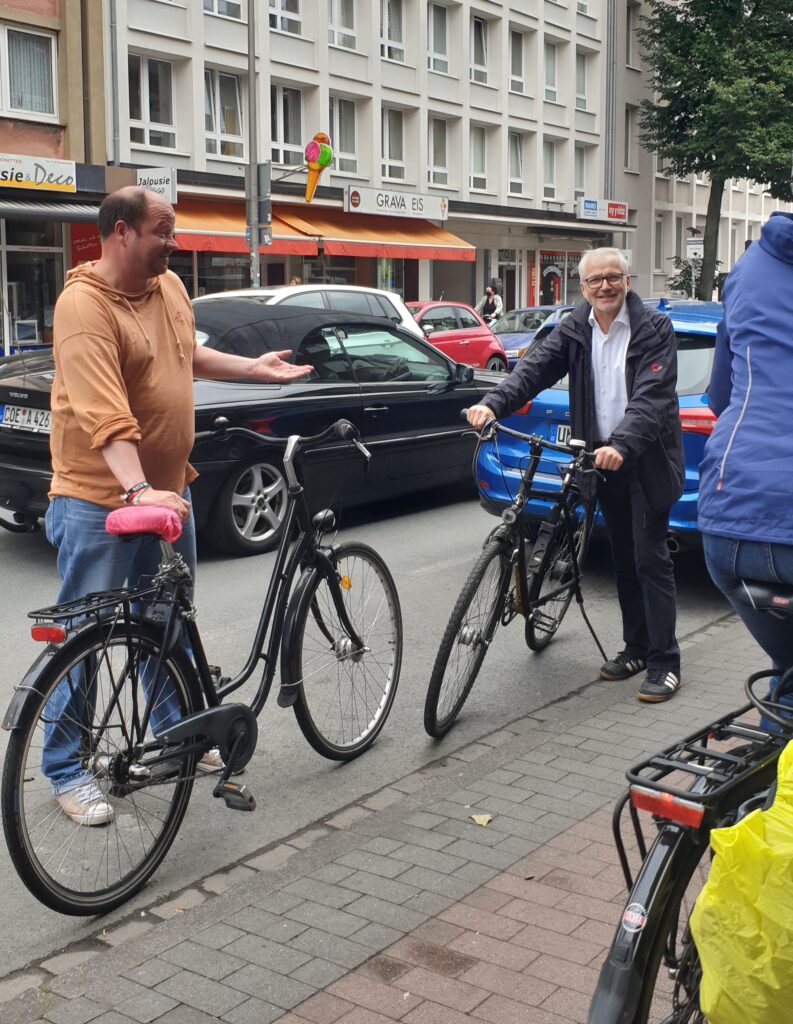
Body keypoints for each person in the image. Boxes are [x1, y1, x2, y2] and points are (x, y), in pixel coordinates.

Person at [43, 186, 312, 826]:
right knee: (87, 640)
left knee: (166, 623)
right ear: (120, 233)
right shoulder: (84, 306)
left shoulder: (168, 288)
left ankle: (180, 731)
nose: (174, 240)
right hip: (99, 501)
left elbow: (186, 357)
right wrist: (138, 492)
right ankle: (65, 769)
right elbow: (105, 417)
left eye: (173, 228)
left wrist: (257, 370)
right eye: (162, 230)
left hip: (168, 494)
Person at [467, 247, 684, 703]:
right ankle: (636, 649)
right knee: (623, 558)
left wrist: (621, 444)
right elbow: (534, 369)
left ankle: (665, 661)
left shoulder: (654, 329)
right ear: (582, 287)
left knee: (650, 559)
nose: (604, 286)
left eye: (612, 277)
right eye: (594, 281)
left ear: (628, 279)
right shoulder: (575, 328)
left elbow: (651, 398)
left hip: (643, 458)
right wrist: (493, 403)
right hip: (601, 460)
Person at [699, 211, 793, 724]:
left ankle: (765, 791)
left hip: (731, 521)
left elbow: (719, 396)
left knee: (788, 667)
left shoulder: (750, 266)